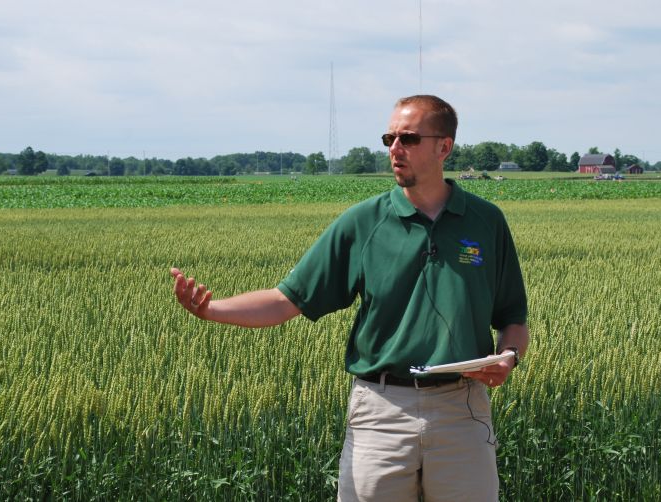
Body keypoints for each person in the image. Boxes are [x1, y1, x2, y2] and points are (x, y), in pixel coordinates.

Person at [170, 95, 528, 501]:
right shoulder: (363, 223)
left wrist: (509, 357)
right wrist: (210, 309)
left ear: (443, 147)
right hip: (381, 410)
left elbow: (513, 317)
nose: (395, 148)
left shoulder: (486, 222)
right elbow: (288, 299)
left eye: (408, 138)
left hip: (462, 410)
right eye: (389, 138)